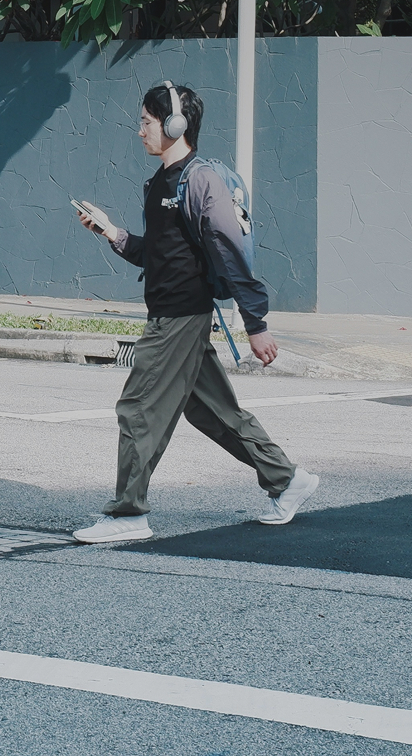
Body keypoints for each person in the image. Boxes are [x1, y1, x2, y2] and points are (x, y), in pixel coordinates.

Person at [69, 80, 318, 544]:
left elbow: (228, 252)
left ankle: (128, 515)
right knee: (213, 412)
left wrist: (256, 325)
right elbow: (159, 254)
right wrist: (111, 232)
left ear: (174, 124)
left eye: (145, 121)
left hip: (180, 317)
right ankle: (287, 479)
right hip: (170, 312)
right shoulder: (158, 183)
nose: (138, 130)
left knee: (138, 409)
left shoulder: (198, 178)